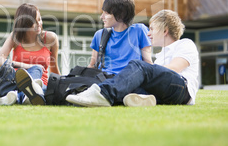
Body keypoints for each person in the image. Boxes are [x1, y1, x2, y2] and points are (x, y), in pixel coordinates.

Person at [66, 9, 199, 107]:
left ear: (165, 31)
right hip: (167, 93)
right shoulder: (160, 56)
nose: (148, 33)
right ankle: (142, 99)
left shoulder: (185, 44)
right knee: (130, 86)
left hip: (182, 89)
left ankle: (102, 93)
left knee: (138, 65)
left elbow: (174, 69)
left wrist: (145, 71)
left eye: (152, 29)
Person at [0, 3, 60, 105]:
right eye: (34, 22)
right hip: (17, 83)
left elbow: (54, 68)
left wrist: (60, 86)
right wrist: (26, 66)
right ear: (24, 23)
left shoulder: (50, 38)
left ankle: (19, 96)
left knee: (39, 78)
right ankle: (27, 96)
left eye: (40, 19)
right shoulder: (15, 37)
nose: (39, 24)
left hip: (41, 85)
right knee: (36, 68)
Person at [88, 0, 152, 73]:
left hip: (130, 80)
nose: (102, 17)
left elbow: (148, 63)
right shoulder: (100, 35)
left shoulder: (139, 30)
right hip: (104, 81)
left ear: (121, 14)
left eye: (106, 13)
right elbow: (92, 66)